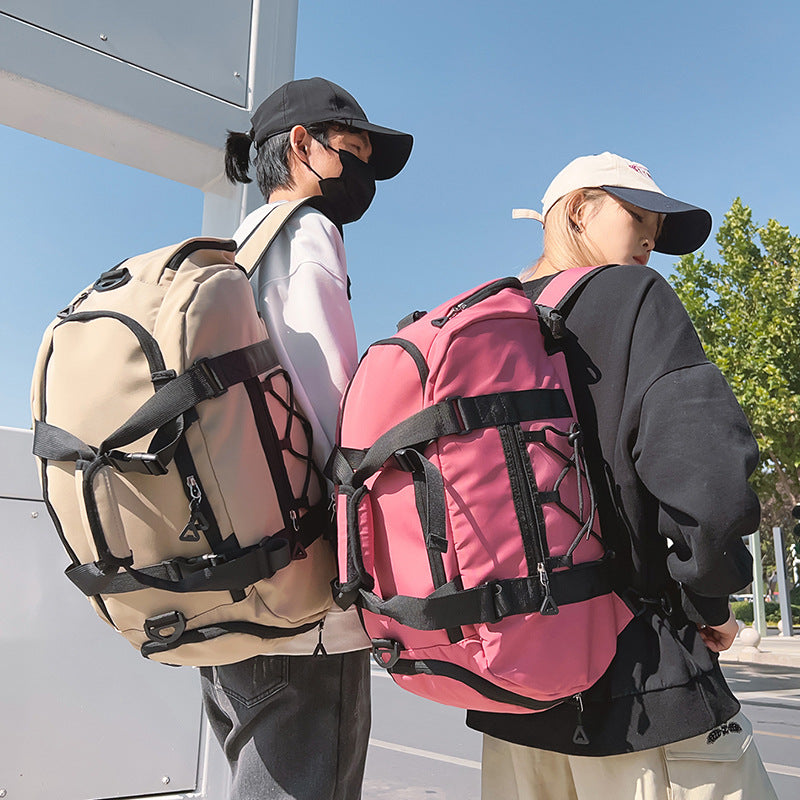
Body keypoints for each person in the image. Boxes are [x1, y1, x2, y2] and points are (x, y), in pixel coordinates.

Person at [467, 153, 777, 800]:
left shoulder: (480, 322)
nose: (648, 242)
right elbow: (710, 485)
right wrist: (709, 604)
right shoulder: (634, 299)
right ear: (579, 209)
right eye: (636, 216)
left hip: (514, 703)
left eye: (656, 233)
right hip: (641, 695)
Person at [200, 77, 412, 800]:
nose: (359, 175)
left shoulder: (229, 253)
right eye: (350, 151)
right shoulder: (306, 230)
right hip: (301, 597)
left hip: (227, 582)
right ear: (301, 144)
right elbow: (334, 412)